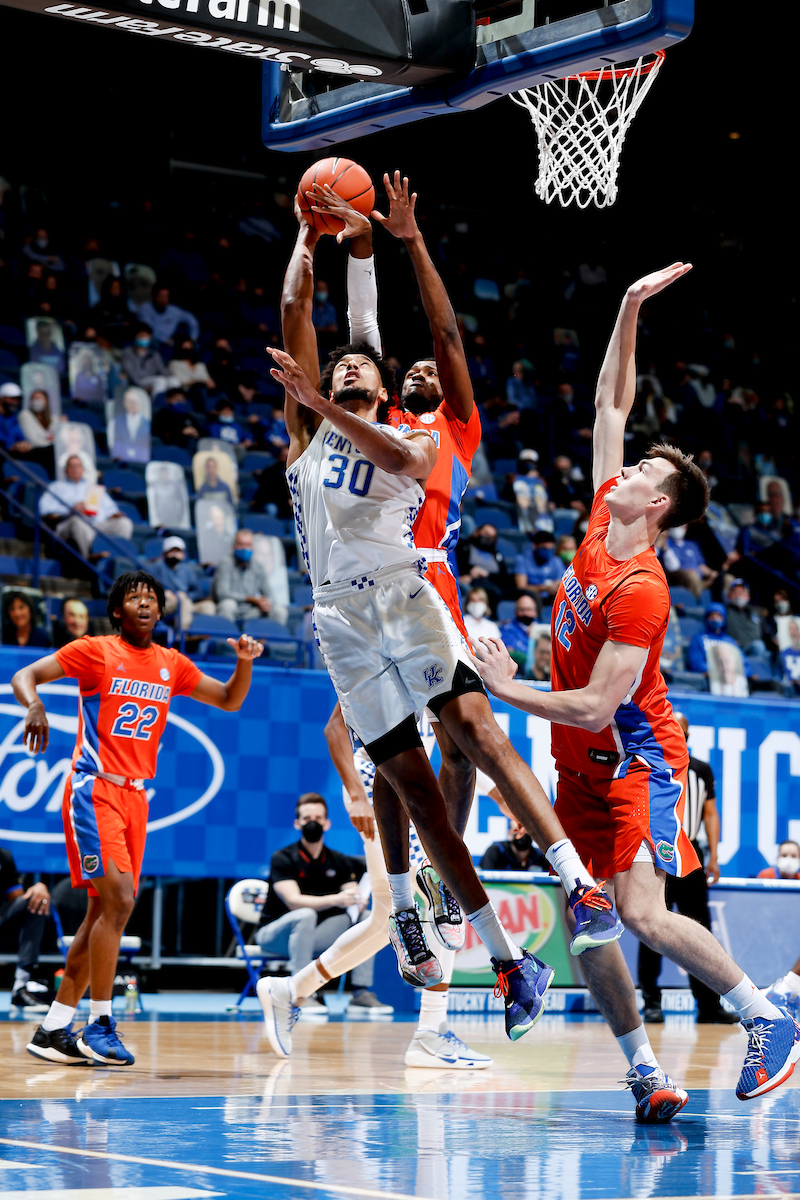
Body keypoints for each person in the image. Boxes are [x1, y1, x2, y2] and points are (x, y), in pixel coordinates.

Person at [260, 194, 621, 1052]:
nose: (355, 368)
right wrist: (315, 237)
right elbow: (311, 315)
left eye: (368, 370)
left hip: (411, 590)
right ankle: (492, 957)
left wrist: (393, 257)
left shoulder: (421, 437)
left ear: (385, 389)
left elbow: (403, 396)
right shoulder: (308, 427)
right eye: (346, 369)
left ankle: (574, 884)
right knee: (416, 792)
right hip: (339, 619)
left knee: (472, 738)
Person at [473, 263, 800, 1118]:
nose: (617, 468)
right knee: (589, 924)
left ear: (656, 504)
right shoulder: (598, 523)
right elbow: (609, 408)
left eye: (639, 470)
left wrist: (506, 687)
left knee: (643, 913)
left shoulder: (643, 587)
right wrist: (627, 307)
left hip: (637, 758)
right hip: (576, 766)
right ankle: (646, 1070)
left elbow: (594, 705)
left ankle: (764, 1015)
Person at [11, 571, 263, 1066]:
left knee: (101, 914)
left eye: (151, 598)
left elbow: (231, 700)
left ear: (161, 612)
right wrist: (35, 705)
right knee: (121, 901)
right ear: (118, 612)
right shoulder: (95, 650)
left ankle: (53, 1029)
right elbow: (25, 676)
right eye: (134, 598)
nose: (144, 604)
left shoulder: (172, 663)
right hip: (94, 788)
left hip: (135, 799)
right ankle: (99, 1024)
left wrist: (244, 663)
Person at [638, 712, 738, 1025]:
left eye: (680, 731)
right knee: (652, 927)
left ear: (688, 736)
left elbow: (710, 813)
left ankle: (708, 1005)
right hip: (658, 853)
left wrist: (714, 856)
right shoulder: (648, 761)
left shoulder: (701, 769)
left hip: (690, 853)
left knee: (699, 930)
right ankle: (651, 1001)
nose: (675, 734)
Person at [254, 792, 391, 1017]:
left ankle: (360, 993)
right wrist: (337, 899)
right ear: (297, 823)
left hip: (314, 936)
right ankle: (299, 992)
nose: (313, 824)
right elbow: (294, 902)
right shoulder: (283, 858)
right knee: (305, 914)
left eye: (318, 819)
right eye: (307, 819)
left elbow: (350, 891)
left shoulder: (339, 860)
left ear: (327, 823)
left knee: (368, 917)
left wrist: (356, 898)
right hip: (276, 934)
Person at [39, 454, 134, 561]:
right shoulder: (56, 487)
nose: (75, 469)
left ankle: (117, 559)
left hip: (96, 524)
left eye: (78, 466)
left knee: (125, 523)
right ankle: (90, 556)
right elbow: (44, 509)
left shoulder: (93, 487)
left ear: (82, 469)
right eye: (71, 466)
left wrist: (113, 514)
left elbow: (110, 507)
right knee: (78, 521)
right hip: (68, 524)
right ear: (65, 470)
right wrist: (70, 509)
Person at [0, 845, 53, 1011]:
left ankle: (20, 987)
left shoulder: (4, 856)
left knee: (34, 901)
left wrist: (40, 888)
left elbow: (17, 900)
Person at [212, 528, 286, 625]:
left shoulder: (258, 566)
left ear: (253, 547)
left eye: (248, 545)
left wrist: (265, 603)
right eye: (241, 544)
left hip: (251, 611)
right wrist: (251, 599)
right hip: (233, 608)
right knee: (228, 605)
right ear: (234, 546)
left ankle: (269, 639)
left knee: (279, 611)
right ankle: (227, 639)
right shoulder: (225, 562)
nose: (245, 548)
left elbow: (270, 595)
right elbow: (222, 593)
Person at [148, 535, 217, 630]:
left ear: (183, 555)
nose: (175, 554)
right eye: (172, 551)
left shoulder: (187, 570)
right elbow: (147, 587)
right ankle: (183, 634)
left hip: (186, 603)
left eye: (178, 551)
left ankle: (204, 633)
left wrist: (186, 595)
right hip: (165, 604)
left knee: (209, 606)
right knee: (184, 602)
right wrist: (163, 593)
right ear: (164, 553)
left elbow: (198, 592)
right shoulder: (157, 567)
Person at [514, 529, 565, 602]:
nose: (547, 551)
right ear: (534, 546)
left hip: (551, 600)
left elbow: (559, 582)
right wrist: (545, 588)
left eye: (550, 548)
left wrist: (555, 585)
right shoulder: (522, 560)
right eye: (544, 548)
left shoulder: (556, 561)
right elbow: (521, 587)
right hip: (530, 599)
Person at [724, 579, 768, 657]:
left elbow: (766, 631)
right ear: (728, 595)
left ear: (748, 596)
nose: (739, 596)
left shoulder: (754, 613)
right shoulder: (725, 611)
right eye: (735, 592)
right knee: (759, 646)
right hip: (735, 649)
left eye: (742, 592)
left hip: (756, 649)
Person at [480, 823, 549, 872]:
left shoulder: (541, 857)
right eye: (517, 830)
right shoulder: (497, 852)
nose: (522, 834)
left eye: (526, 830)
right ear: (509, 834)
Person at [120, 324, 168, 393]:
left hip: (152, 380)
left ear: (150, 338)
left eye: (146, 336)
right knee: (160, 381)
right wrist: (142, 387)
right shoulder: (127, 353)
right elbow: (130, 373)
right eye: (142, 336)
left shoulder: (154, 354)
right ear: (136, 337)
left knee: (173, 381)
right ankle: (158, 403)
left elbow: (162, 371)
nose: (144, 338)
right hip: (138, 381)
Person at [111, 388, 151, 463]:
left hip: (141, 461)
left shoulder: (148, 424)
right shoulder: (116, 421)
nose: (132, 404)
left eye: (135, 402)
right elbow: (112, 444)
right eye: (130, 401)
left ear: (140, 403)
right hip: (121, 460)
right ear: (125, 403)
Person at [501, 595, 539, 668]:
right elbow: (511, 653)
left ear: (535, 612)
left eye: (528, 609)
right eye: (521, 610)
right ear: (516, 611)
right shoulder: (508, 628)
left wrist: (535, 632)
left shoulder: (542, 629)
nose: (525, 613)